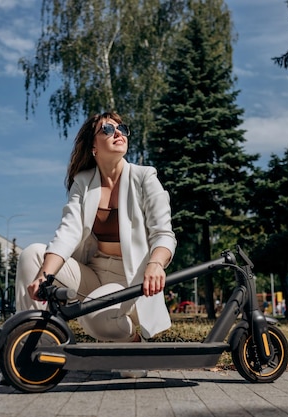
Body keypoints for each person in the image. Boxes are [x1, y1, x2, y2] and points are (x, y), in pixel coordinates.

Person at [15, 111, 176, 343]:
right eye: (107, 129)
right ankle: (33, 344)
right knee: (32, 255)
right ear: (93, 147)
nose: (118, 133)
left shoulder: (145, 177)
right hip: (92, 273)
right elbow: (68, 231)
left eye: (122, 128)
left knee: (95, 312)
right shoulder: (83, 182)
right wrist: (44, 276)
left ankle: (132, 345)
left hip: (132, 278)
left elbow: (164, 234)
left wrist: (156, 264)